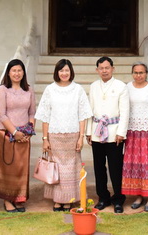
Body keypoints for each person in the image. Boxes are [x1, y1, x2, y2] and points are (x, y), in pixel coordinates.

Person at [36, 58, 92, 211]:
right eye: (61, 70)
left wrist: (81, 137)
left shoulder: (78, 89)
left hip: (73, 135)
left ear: (71, 71)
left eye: (67, 70)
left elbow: (83, 115)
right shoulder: (50, 89)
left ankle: (69, 199)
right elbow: (45, 116)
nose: (64, 73)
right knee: (57, 169)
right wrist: (45, 138)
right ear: (57, 72)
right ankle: (57, 199)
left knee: (72, 168)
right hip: (55, 135)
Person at [0, 59, 36, 213]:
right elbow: (2, 115)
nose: (17, 73)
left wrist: (28, 131)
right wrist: (15, 132)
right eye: (14, 71)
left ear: (23, 72)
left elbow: (31, 113)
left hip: (24, 134)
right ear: (8, 73)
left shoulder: (29, 89)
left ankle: (18, 198)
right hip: (6, 134)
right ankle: (7, 199)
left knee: (21, 169)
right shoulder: (3, 90)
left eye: (19, 70)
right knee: (8, 167)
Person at [86, 56, 129, 213]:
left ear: (113, 68)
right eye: (101, 68)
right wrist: (89, 132)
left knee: (115, 168)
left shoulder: (121, 86)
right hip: (97, 132)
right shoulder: (93, 86)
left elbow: (125, 112)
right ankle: (103, 197)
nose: (104, 70)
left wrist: (121, 133)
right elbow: (90, 111)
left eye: (107, 67)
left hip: (114, 133)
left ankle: (118, 199)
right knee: (99, 167)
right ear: (97, 70)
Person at [122, 62, 148, 212]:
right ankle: (138, 195)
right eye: (136, 72)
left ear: (146, 73)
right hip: (132, 131)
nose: (138, 75)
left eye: (141, 72)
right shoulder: (127, 87)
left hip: (147, 131)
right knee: (135, 165)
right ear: (132, 73)